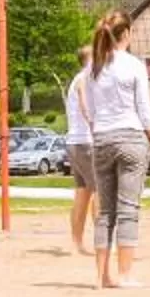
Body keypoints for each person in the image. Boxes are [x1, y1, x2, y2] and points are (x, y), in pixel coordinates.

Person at [75, 10, 150, 289]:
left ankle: (101, 277)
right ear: (126, 33)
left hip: (101, 139)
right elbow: (145, 111)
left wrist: (100, 132)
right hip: (130, 139)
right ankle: (124, 275)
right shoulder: (134, 65)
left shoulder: (93, 67)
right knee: (128, 209)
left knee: (105, 212)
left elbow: (89, 111)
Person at [62, 50, 96, 253]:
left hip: (74, 142)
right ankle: (104, 242)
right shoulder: (84, 79)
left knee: (82, 194)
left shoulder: (78, 78)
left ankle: (76, 243)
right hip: (85, 143)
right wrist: (93, 124)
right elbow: (84, 105)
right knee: (100, 192)